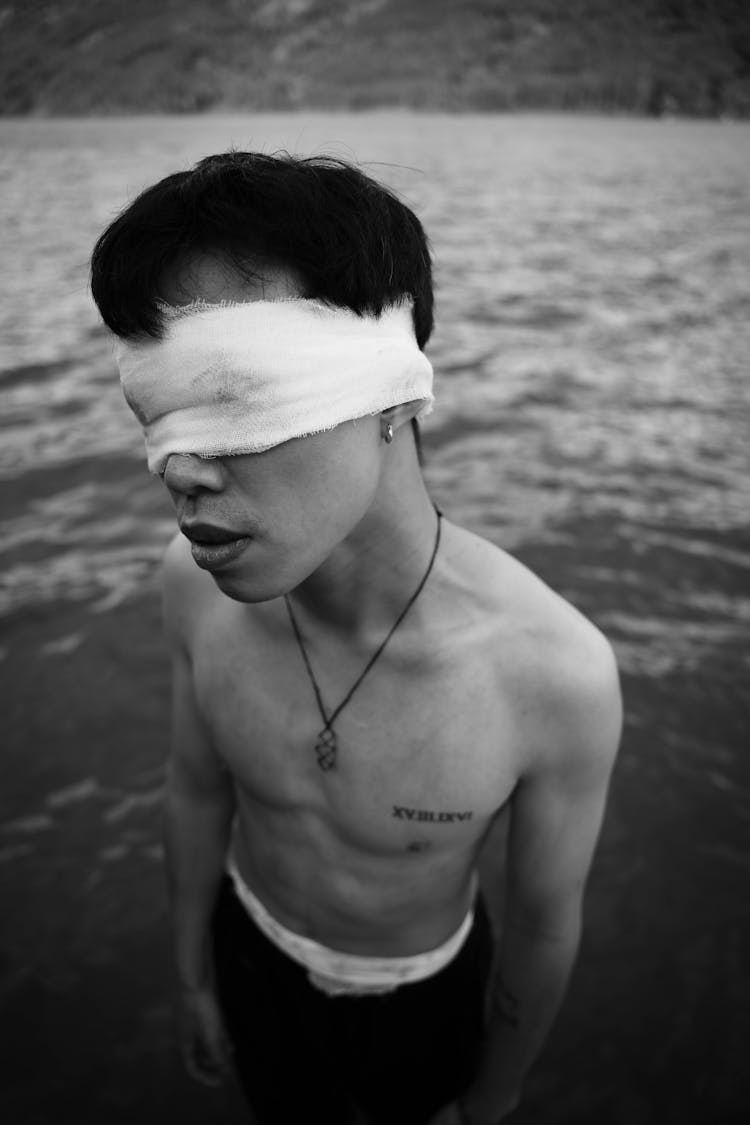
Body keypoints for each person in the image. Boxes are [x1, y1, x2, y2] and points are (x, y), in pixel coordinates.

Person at [90, 151, 622, 1125]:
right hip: (251, 953)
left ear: (394, 390)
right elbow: (196, 786)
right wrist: (196, 979)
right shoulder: (193, 590)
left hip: (423, 993)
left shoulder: (551, 676)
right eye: (156, 411)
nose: (180, 468)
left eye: (236, 395)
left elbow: (544, 928)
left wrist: (494, 1098)